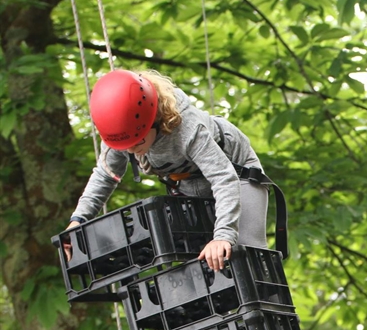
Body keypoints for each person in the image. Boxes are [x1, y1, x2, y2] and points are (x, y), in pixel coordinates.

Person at [63, 69, 271, 271]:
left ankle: (266, 302)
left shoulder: (186, 129)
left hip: (236, 173)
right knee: (194, 260)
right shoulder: (120, 134)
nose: (130, 150)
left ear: (153, 121)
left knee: (246, 253)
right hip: (187, 184)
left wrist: (223, 236)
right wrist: (78, 221)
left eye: (137, 143)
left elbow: (223, 178)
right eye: (125, 146)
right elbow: (105, 175)